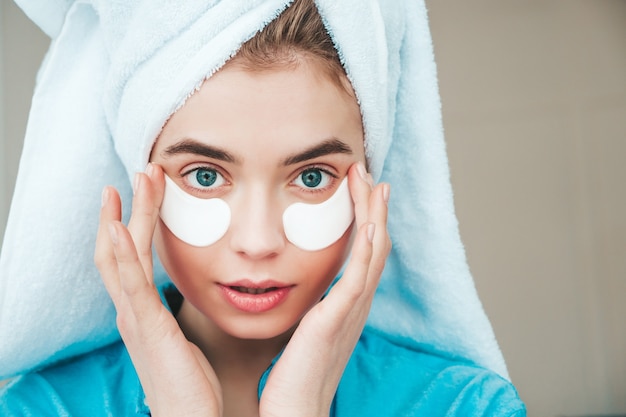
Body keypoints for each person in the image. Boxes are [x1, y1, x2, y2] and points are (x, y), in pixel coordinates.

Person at [0, 0, 526, 415]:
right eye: (205, 176)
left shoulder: (465, 407)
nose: (258, 241)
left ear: (371, 185)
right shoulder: (39, 409)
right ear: (141, 182)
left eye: (311, 177)